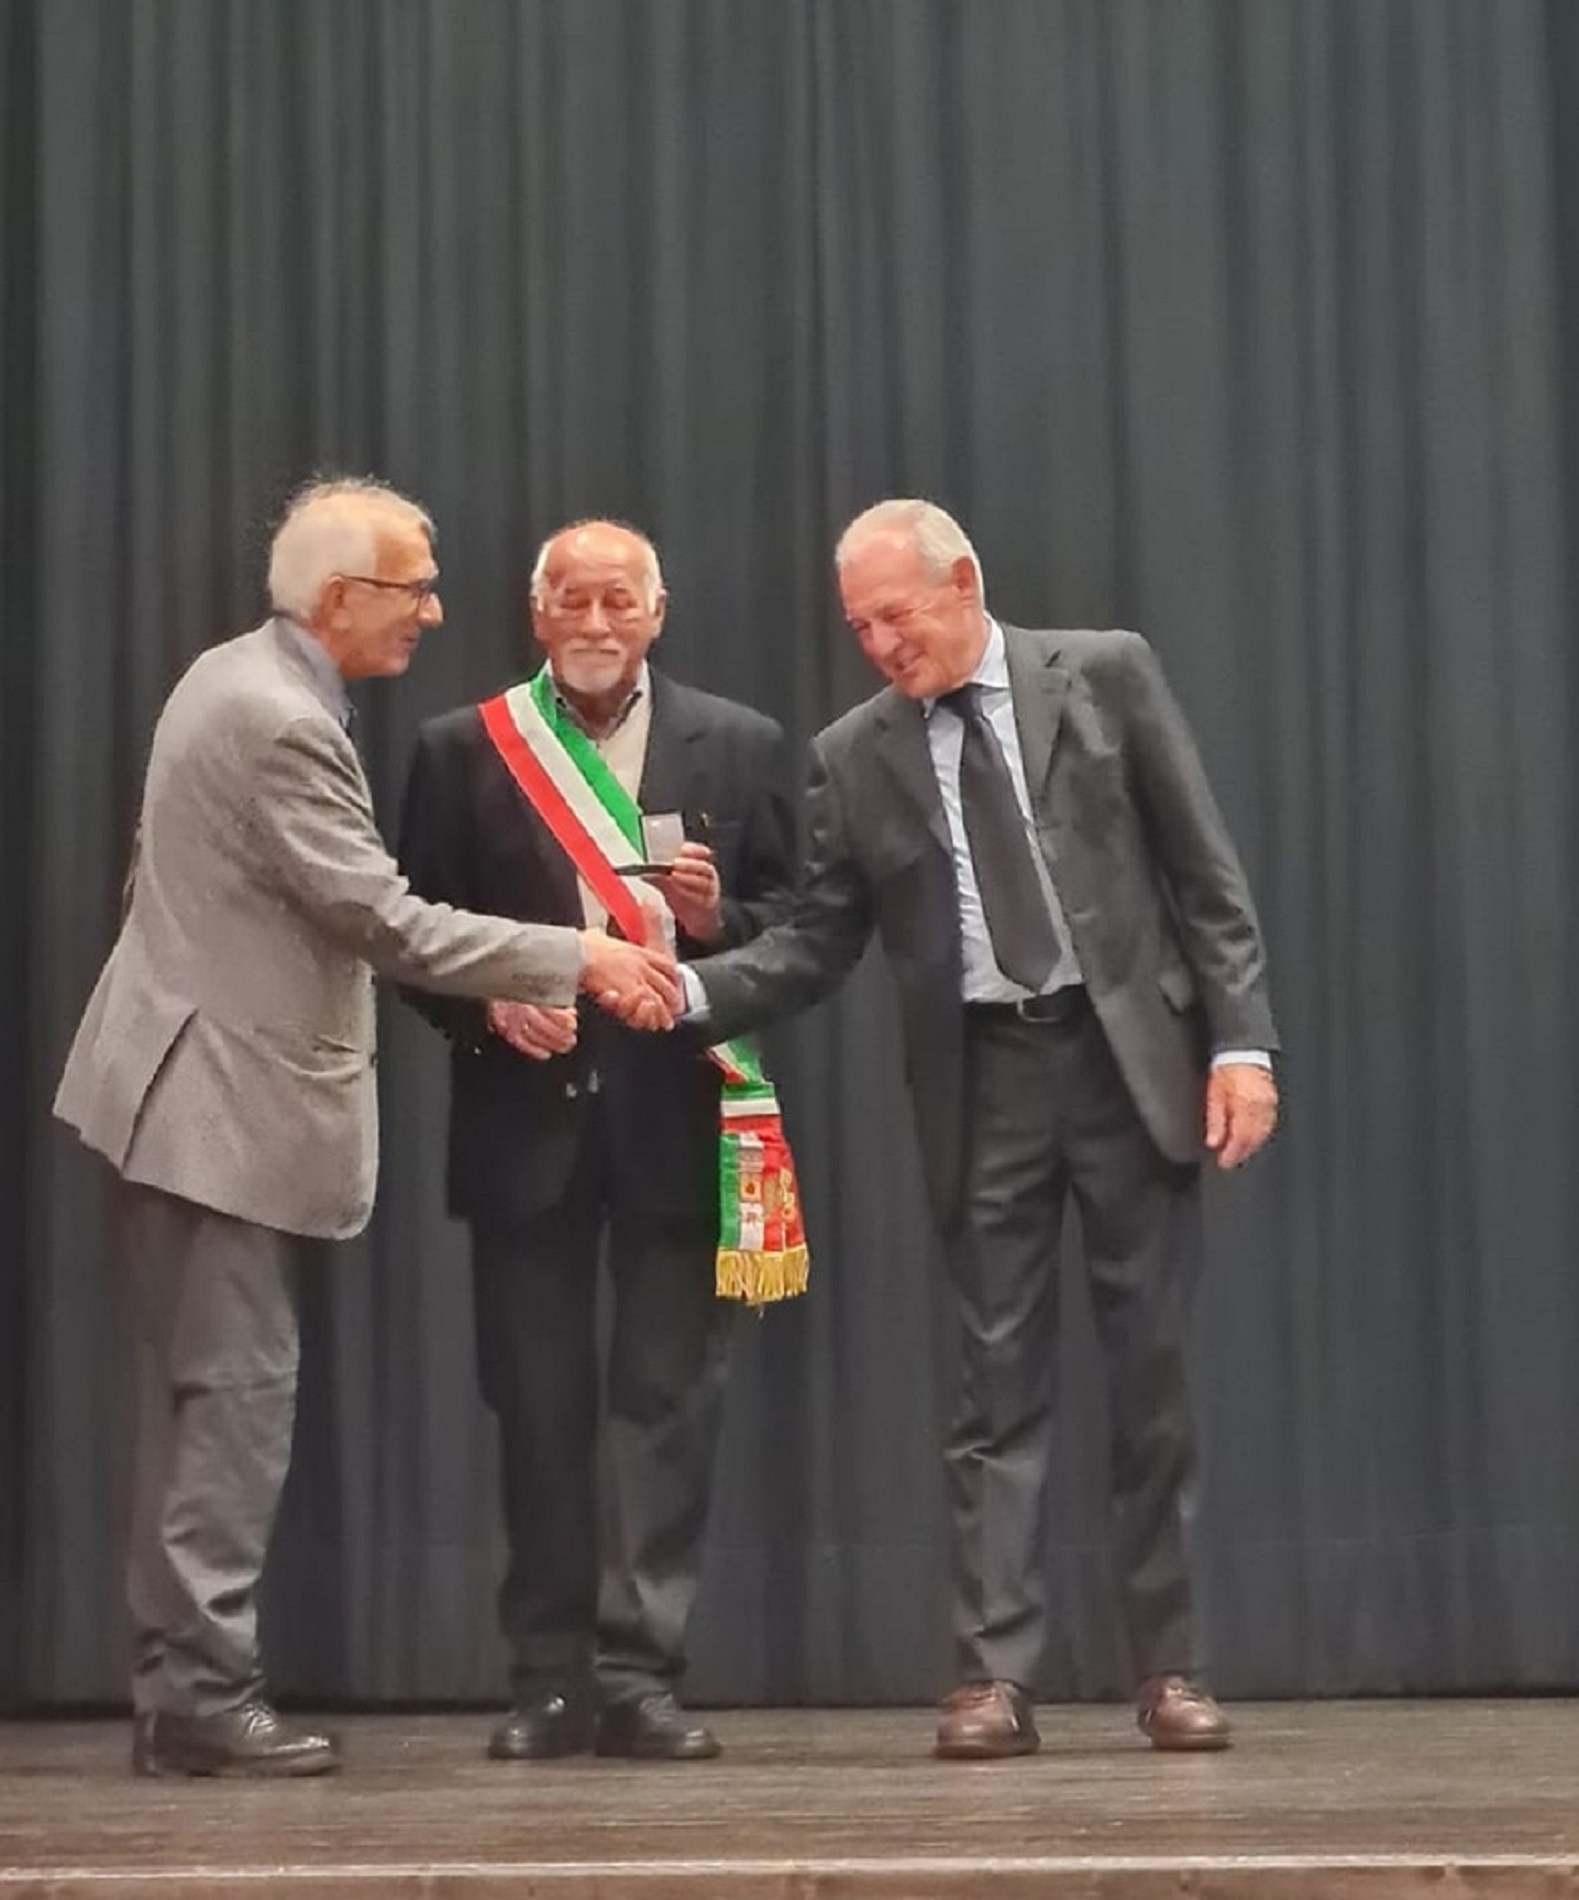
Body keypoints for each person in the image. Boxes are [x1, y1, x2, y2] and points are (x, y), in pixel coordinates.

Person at [54, 480, 680, 1780]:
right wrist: (575, 955)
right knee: (232, 1405)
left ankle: (183, 1692)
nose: (432, 613)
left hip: (179, 1091)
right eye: (413, 590)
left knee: (196, 1405)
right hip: (215, 1110)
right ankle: (203, 1700)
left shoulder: (230, 677)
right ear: (339, 599)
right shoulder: (280, 717)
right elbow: (384, 919)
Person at [683, 498, 1279, 1758]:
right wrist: (688, 989)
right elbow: (814, 941)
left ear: (962, 581)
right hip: (984, 1079)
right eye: (858, 628)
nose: (879, 645)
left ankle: (1170, 1667)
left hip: (1127, 1063)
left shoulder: (1104, 674)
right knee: (991, 1386)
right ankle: (990, 1676)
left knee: (1151, 1377)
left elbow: (1203, 872)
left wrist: (1241, 1045)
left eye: (894, 616)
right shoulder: (854, 752)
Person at [396, 519, 796, 1763]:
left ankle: (639, 1677)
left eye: (619, 600)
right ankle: (548, 1681)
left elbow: (799, 926)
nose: (595, 621)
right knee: (538, 1411)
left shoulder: (740, 743)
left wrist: (717, 923)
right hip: (525, 1124)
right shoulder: (463, 747)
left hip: (679, 1114)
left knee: (665, 1413)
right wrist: (484, 1004)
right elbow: (407, 932)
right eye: (570, 599)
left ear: (657, 614)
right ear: (537, 615)